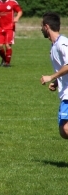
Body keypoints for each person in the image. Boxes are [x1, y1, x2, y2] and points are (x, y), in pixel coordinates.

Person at [40, 12, 68, 140]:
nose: (41, 29)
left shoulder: (63, 44)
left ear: (47, 27)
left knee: (65, 129)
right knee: (64, 130)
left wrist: (51, 77)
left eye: (42, 26)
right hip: (65, 92)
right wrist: (57, 82)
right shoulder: (55, 45)